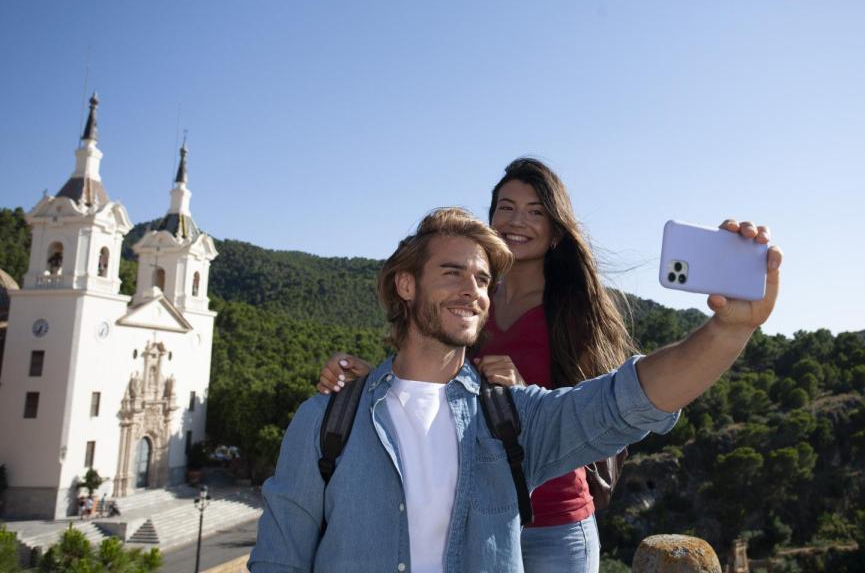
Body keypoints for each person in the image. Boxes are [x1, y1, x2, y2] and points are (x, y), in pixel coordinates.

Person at [250, 206, 783, 572]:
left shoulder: (511, 422)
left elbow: (629, 400)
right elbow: (280, 559)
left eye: (483, 280)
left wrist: (730, 329)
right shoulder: (327, 421)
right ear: (406, 286)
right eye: (453, 273)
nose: (473, 291)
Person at [318, 158, 640, 572]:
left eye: (535, 211)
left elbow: (601, 416)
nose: (516, 220)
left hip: (556, 524)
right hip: (474, 517)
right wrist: (367, 379)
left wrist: (526, 396)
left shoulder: (575, 311)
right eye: (506, 207)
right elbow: (423, 372)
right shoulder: (467, 301)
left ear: (557, 229)